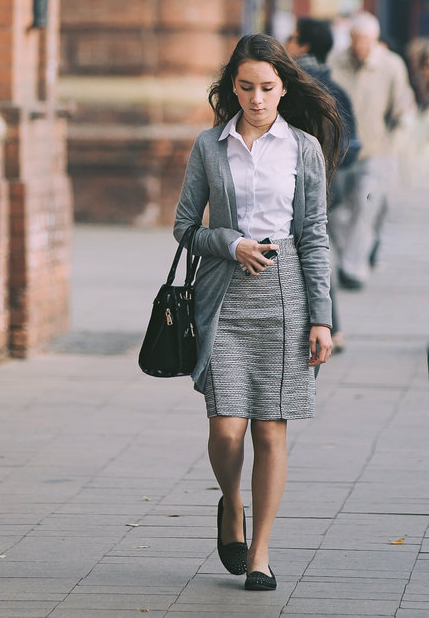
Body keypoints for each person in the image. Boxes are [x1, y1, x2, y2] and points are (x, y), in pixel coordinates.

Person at [173, 33, 341, 592]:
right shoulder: (209, 146)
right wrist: (230, 243)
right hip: (223, 296)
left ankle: (260, 554)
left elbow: (314, 236)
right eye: (246, 87)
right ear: (233, 88)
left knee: (270, 430)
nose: (257, 99)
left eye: (268, 87)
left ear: (283, 87)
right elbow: (185, 228)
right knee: (226, 429)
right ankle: (231, 501)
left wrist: (323, 316)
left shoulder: (303, 149)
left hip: (287, 296)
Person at [285, 17, 361, 350]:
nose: (287, 42)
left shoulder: (291, 87)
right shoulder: (337, 88)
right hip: (329, 186)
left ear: (303, 46)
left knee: (304, 255)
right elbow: (353, 145)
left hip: (289, 186)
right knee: (318, 253)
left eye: (292, 37)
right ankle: (334, 327)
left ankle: (321, 324)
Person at [329, 11, 416, 289]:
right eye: (356, 40)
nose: (360, 47)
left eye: (366, 41)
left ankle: (354, 269)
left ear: (375, 40)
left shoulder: (391, 65)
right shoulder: (335, 62)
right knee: (333, 214)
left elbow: (402, 103)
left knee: (366, 208)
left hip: (377, 151)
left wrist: (403, 117)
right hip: (340, 153)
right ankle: (349, 257)